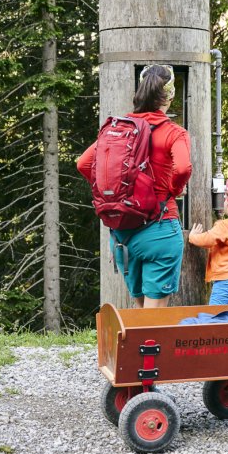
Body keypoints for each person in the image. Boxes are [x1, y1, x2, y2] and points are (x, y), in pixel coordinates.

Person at [76, 64, 191, 309]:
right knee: (153, 319)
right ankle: (146, 348)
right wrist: (174, 188)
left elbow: (84, 163)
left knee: (141, 312)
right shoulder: (174, 132)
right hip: (160, 227)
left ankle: (136, 347)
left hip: (123, 234)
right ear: (170, 96)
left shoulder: (119, 129)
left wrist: (113, 194)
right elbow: (182, 168)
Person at [187, 179, 228, 305]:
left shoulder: (224, 226)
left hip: (225, 281)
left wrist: (193, 236)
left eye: (226, 200)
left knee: (214, 314)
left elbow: (207, 239)